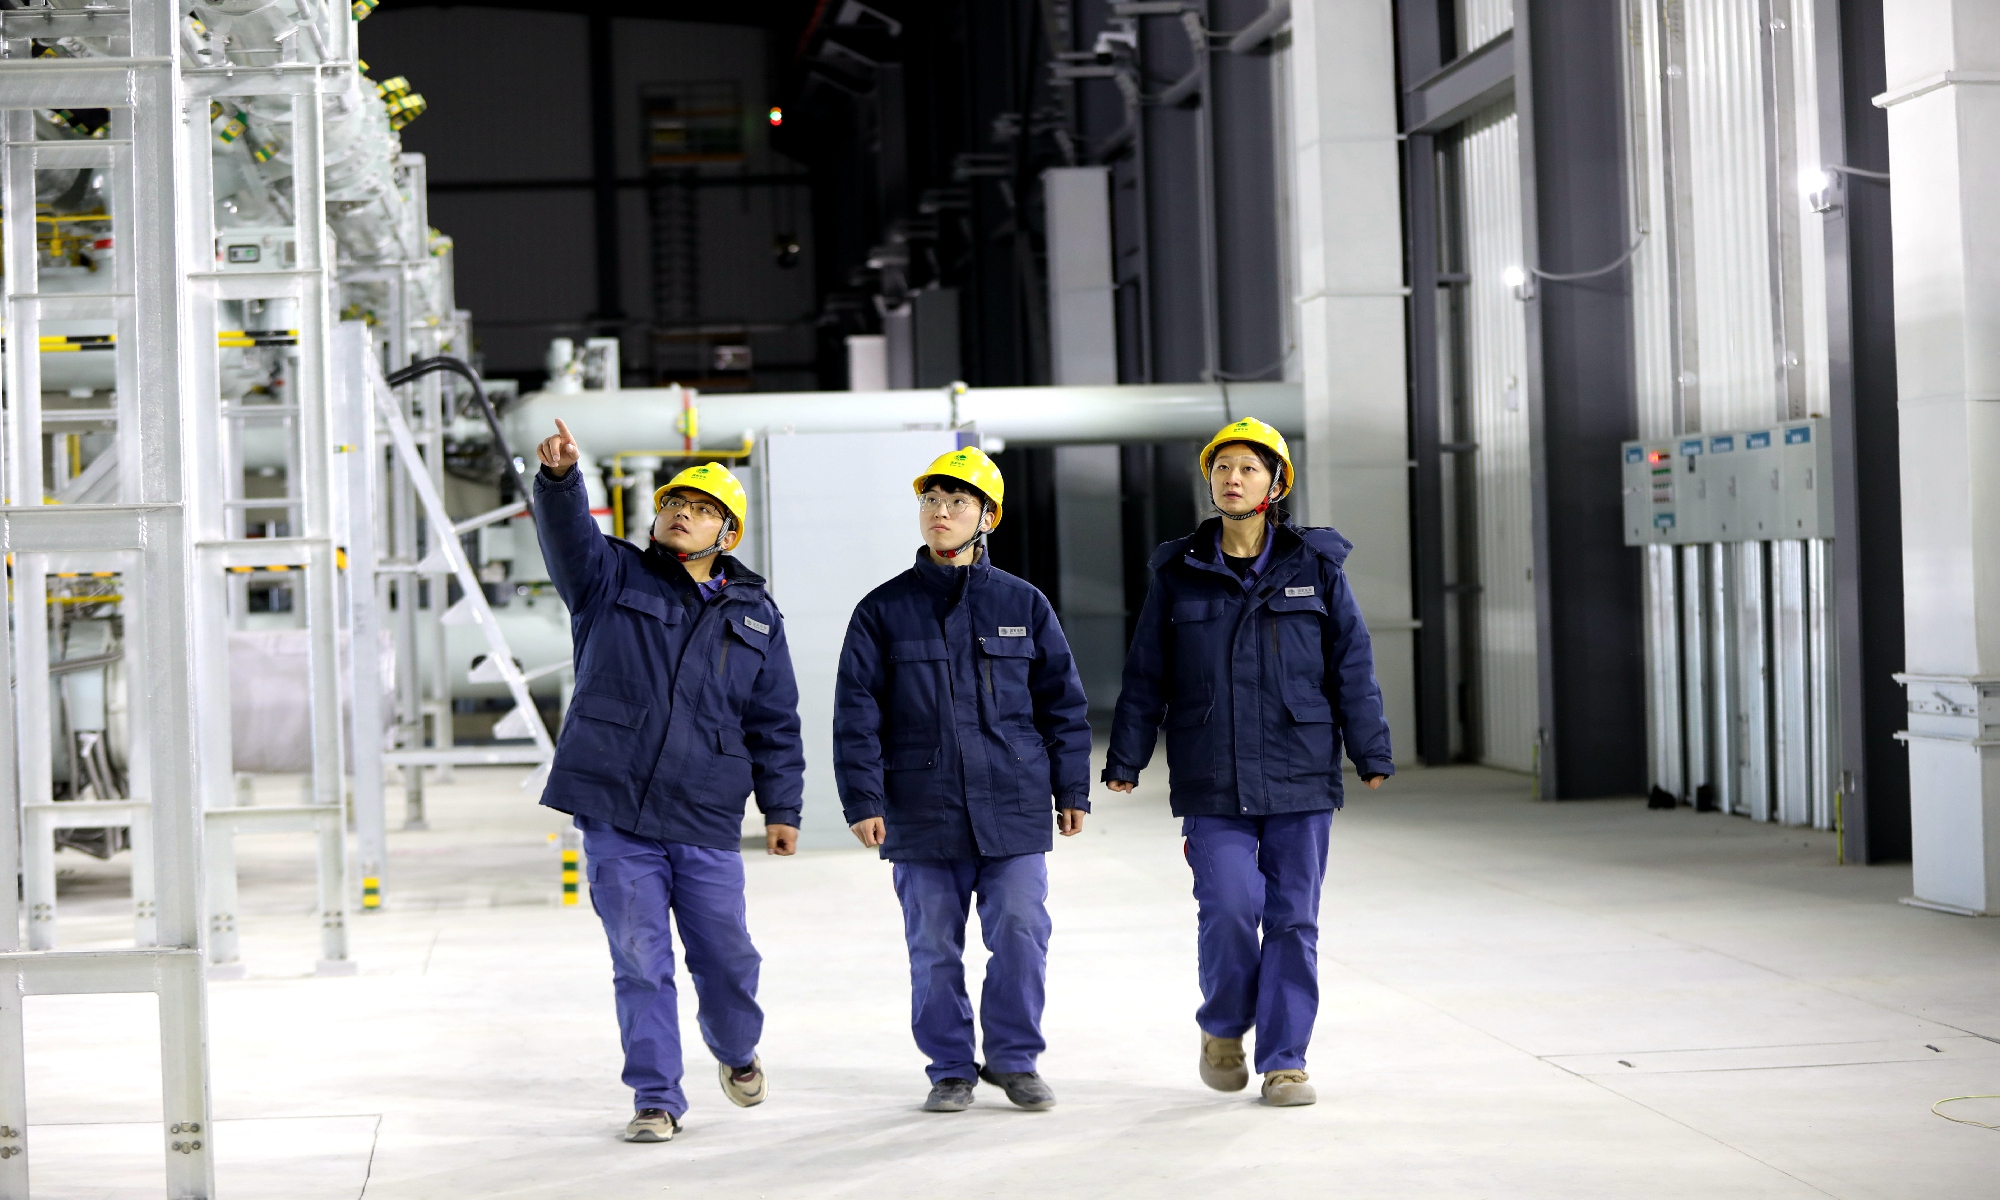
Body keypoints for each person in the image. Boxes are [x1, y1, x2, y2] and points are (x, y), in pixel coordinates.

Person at [1102, 417, 1392, 1108]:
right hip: (1213, 771)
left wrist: (1369, 746)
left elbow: (1350, 664)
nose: (1232, 478)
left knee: (1294, 919)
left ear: (1276, 483)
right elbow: (1147, 674)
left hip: (1300, 769)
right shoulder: (1178, 574)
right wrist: (1126, 756)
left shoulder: (1317, 568)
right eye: (1222, 468)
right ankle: (1225, 1028)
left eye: (1249, 469)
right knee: (1229, 907)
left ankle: (1286, 1059)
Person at [533, 419, 805, 1144]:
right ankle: (656, 1097)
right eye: (672, 505)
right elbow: (566, 536)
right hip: (616, 811)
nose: (681, 514)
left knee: (727, 958)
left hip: (706, 810)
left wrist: (783, 807)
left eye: (702, 508)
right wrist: (561, 482)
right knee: (641, 959)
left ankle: (736, 1049)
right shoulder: (608, 577)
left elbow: (774, 721)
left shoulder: (755, 615)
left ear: (728, 534)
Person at [832, 446, 1093, 1114]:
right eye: (931, 502)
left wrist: (1072, 788)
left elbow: (1061, 702)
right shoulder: (883, 610)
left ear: (987, 517)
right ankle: (949, 1066)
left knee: (1021, 933)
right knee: (932, 946)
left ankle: (1014, 1059)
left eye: (955, 503)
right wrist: (863, 798)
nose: (939, 513)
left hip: (1012, 802)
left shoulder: (1023, 604)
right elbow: (856, 714)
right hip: (922, 807)